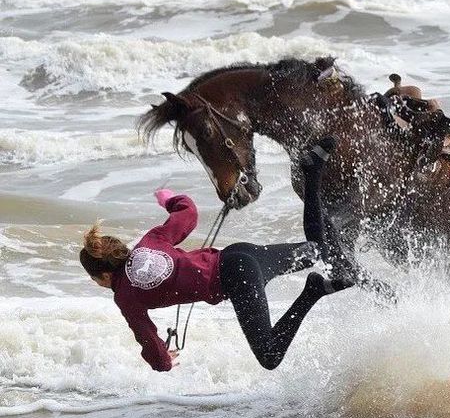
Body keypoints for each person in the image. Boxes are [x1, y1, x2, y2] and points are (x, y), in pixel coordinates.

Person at [79, 137, 352, 372]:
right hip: (239, 255)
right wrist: (169, 199)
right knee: (318, 250)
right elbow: (188, 213)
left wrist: (162, 361)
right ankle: (312, 172)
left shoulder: (125, 296)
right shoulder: (150, 242)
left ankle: (311, 292)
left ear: (104, 275)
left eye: (96, 281)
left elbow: (146, 336)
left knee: (269, 356)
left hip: (238, 279)